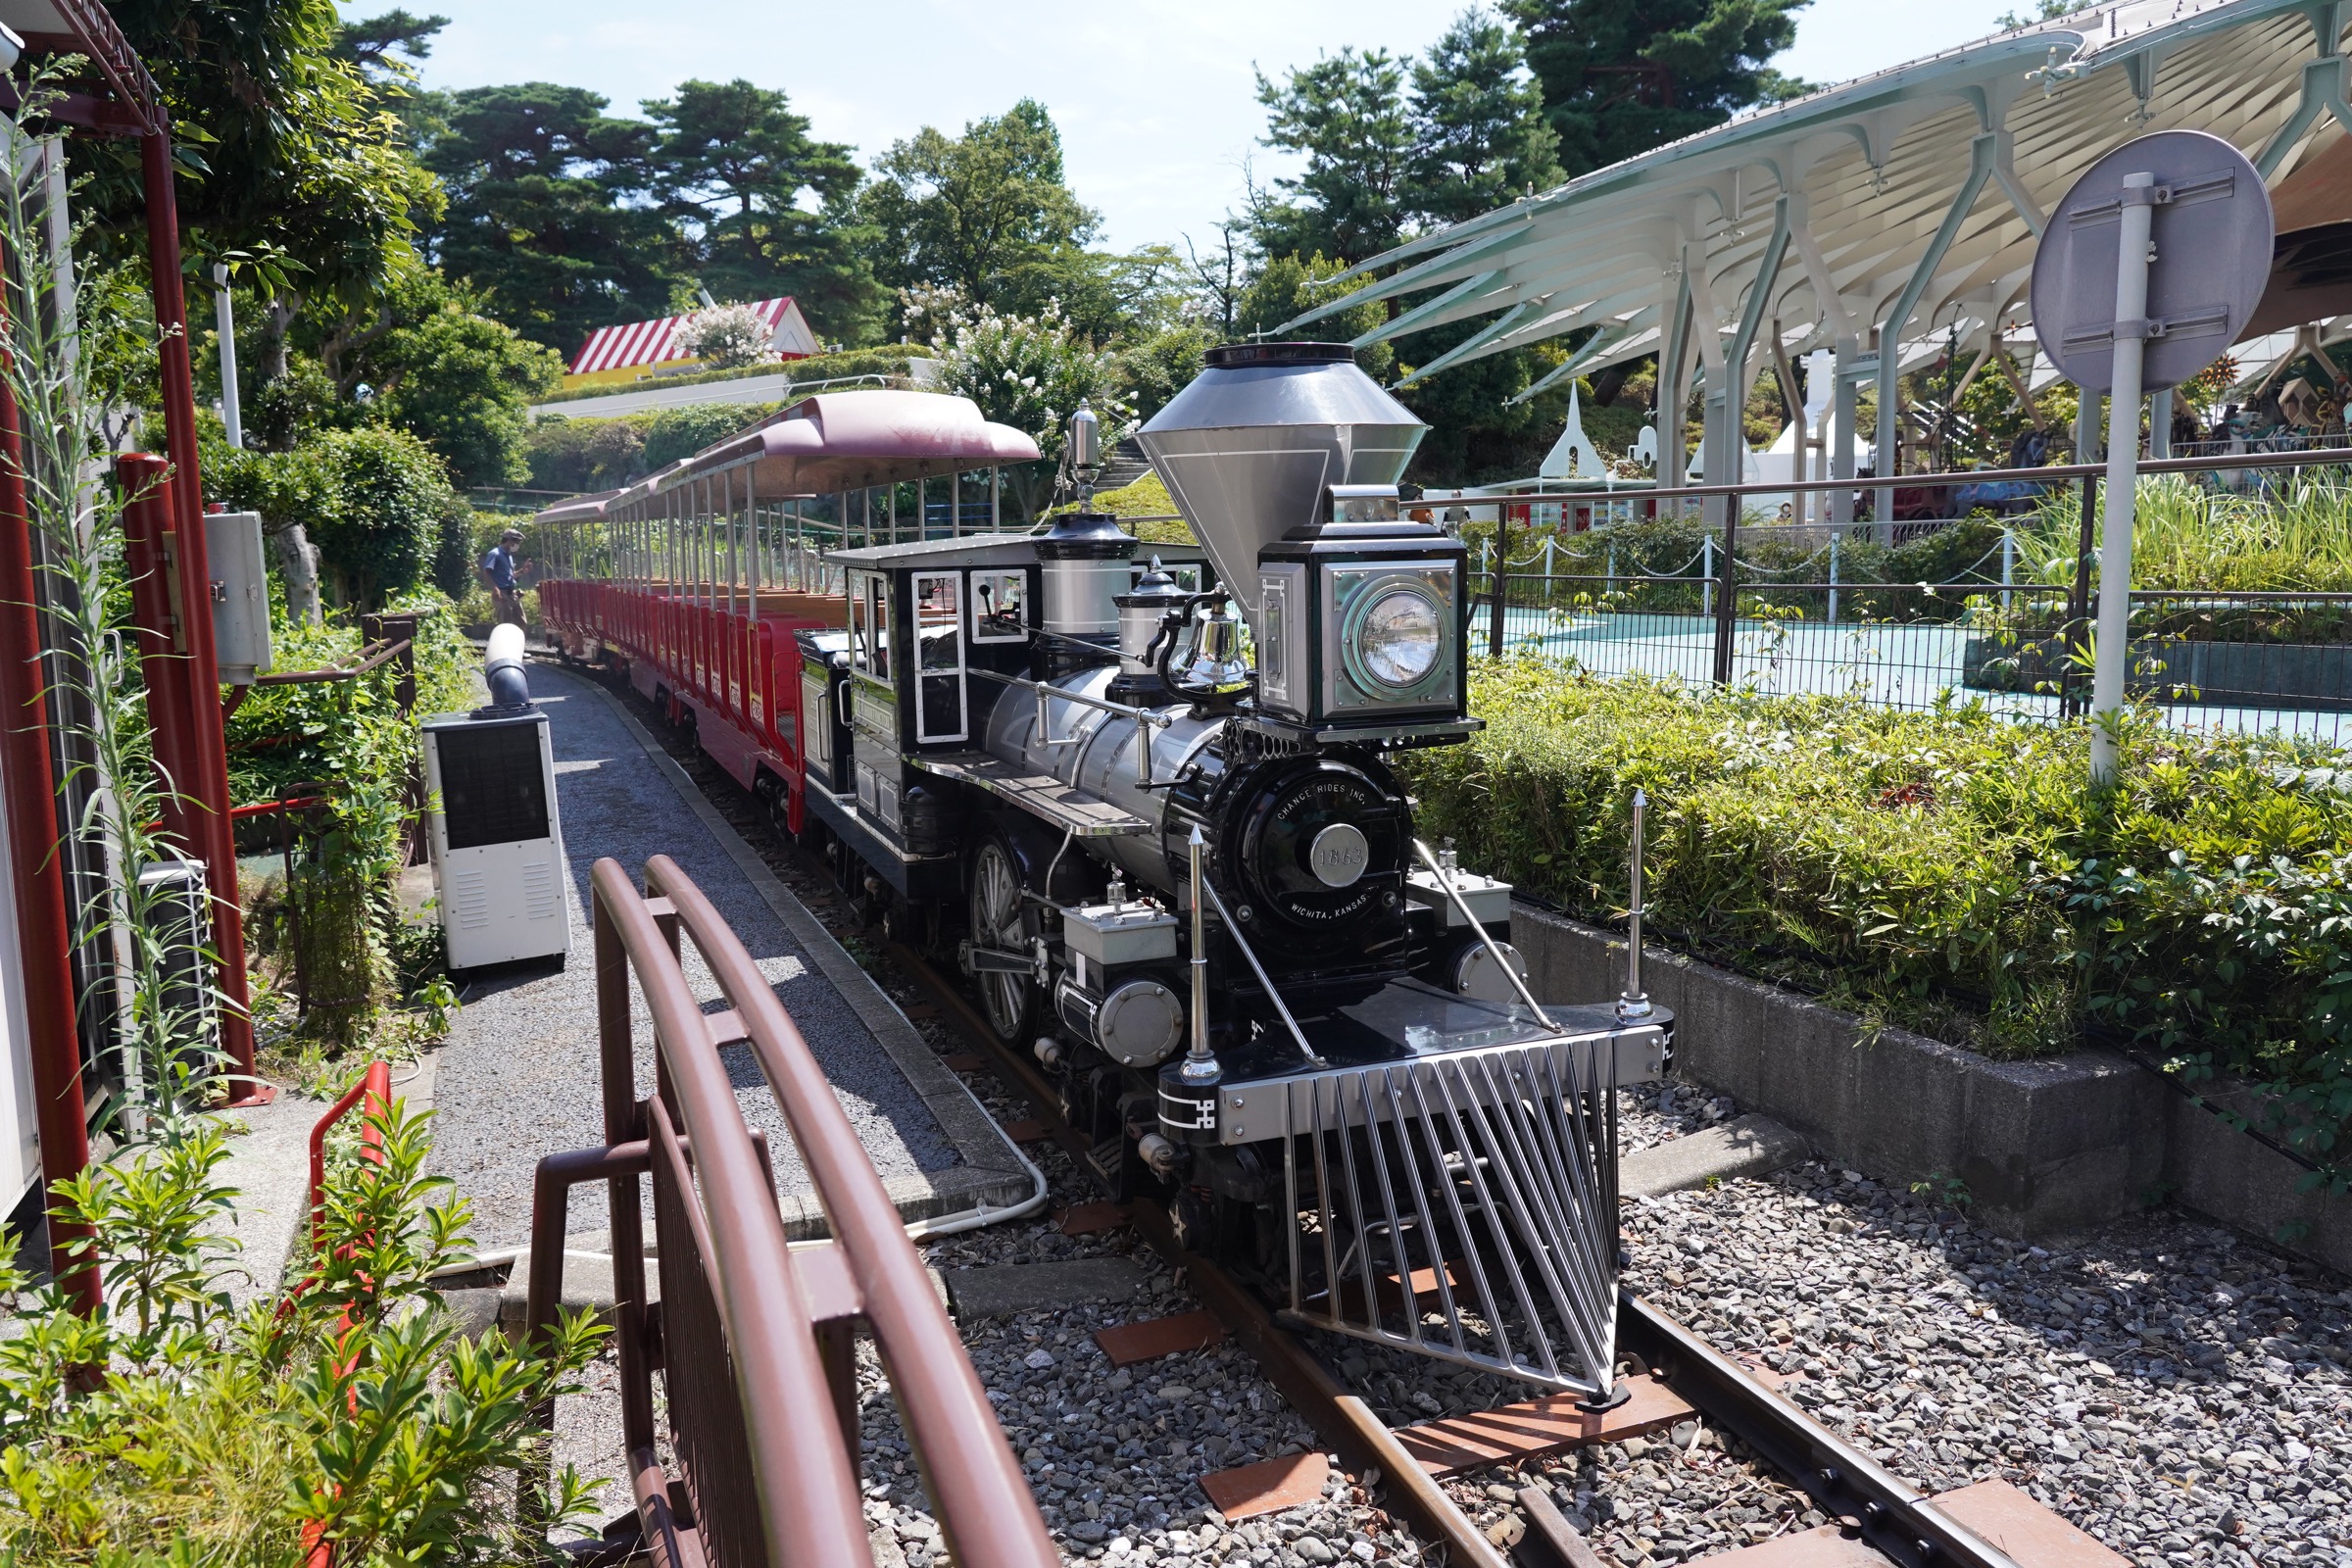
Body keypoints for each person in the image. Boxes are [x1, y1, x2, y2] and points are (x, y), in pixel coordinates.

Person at [479, 528, 524, 626]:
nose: (518, 544)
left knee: (522, 623)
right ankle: (505, 642)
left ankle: (517, 642)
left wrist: (522, 571)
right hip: (502, 594)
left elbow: (509, 575)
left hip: (511, 593)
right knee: (505, 624)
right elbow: (486, 572)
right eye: (517, 541)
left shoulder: (509, 555)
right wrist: (495, 588)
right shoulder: (495, 554)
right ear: (509, 540)